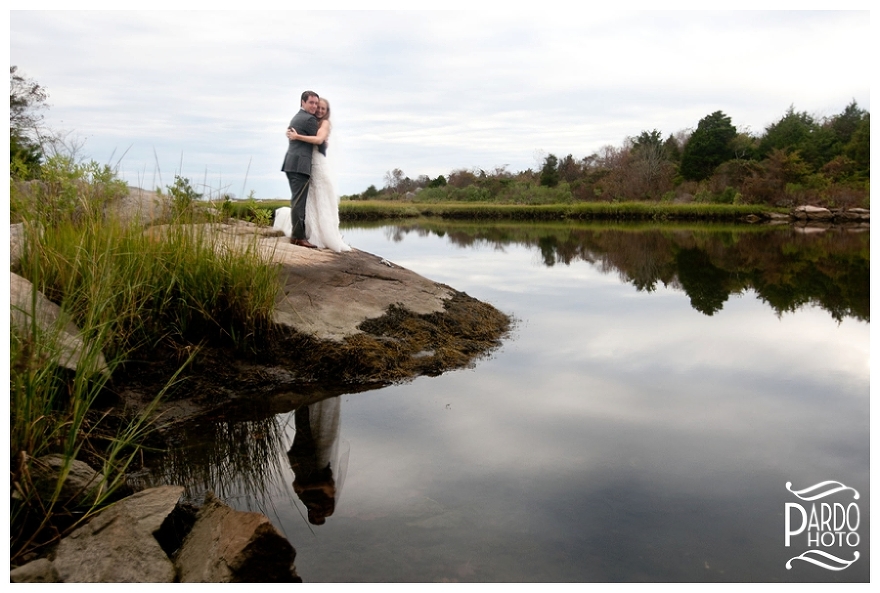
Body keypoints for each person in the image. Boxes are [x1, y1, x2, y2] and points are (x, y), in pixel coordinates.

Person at [285, 98, 352, 253]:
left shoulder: (324, 123)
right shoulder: (311, 121)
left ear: (327, 111)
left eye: (322, 108)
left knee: (322, 196)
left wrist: (297, 137)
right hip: (308, 164)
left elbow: (319, 139)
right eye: (317, 106)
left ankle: (325, 234)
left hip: (318, 164)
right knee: (309, 200)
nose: (319, 110)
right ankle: (308, 233)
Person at [281, 90, 320, 249]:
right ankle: (298, 237)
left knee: (297, 200)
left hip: (291, 163)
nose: (314, 106)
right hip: (300, 165)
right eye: (311, 102)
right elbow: (319, 141)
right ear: (302, 102)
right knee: (299, 202)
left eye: (316, 103)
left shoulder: (296, 117)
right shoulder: (310, 119)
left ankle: (298, 235)